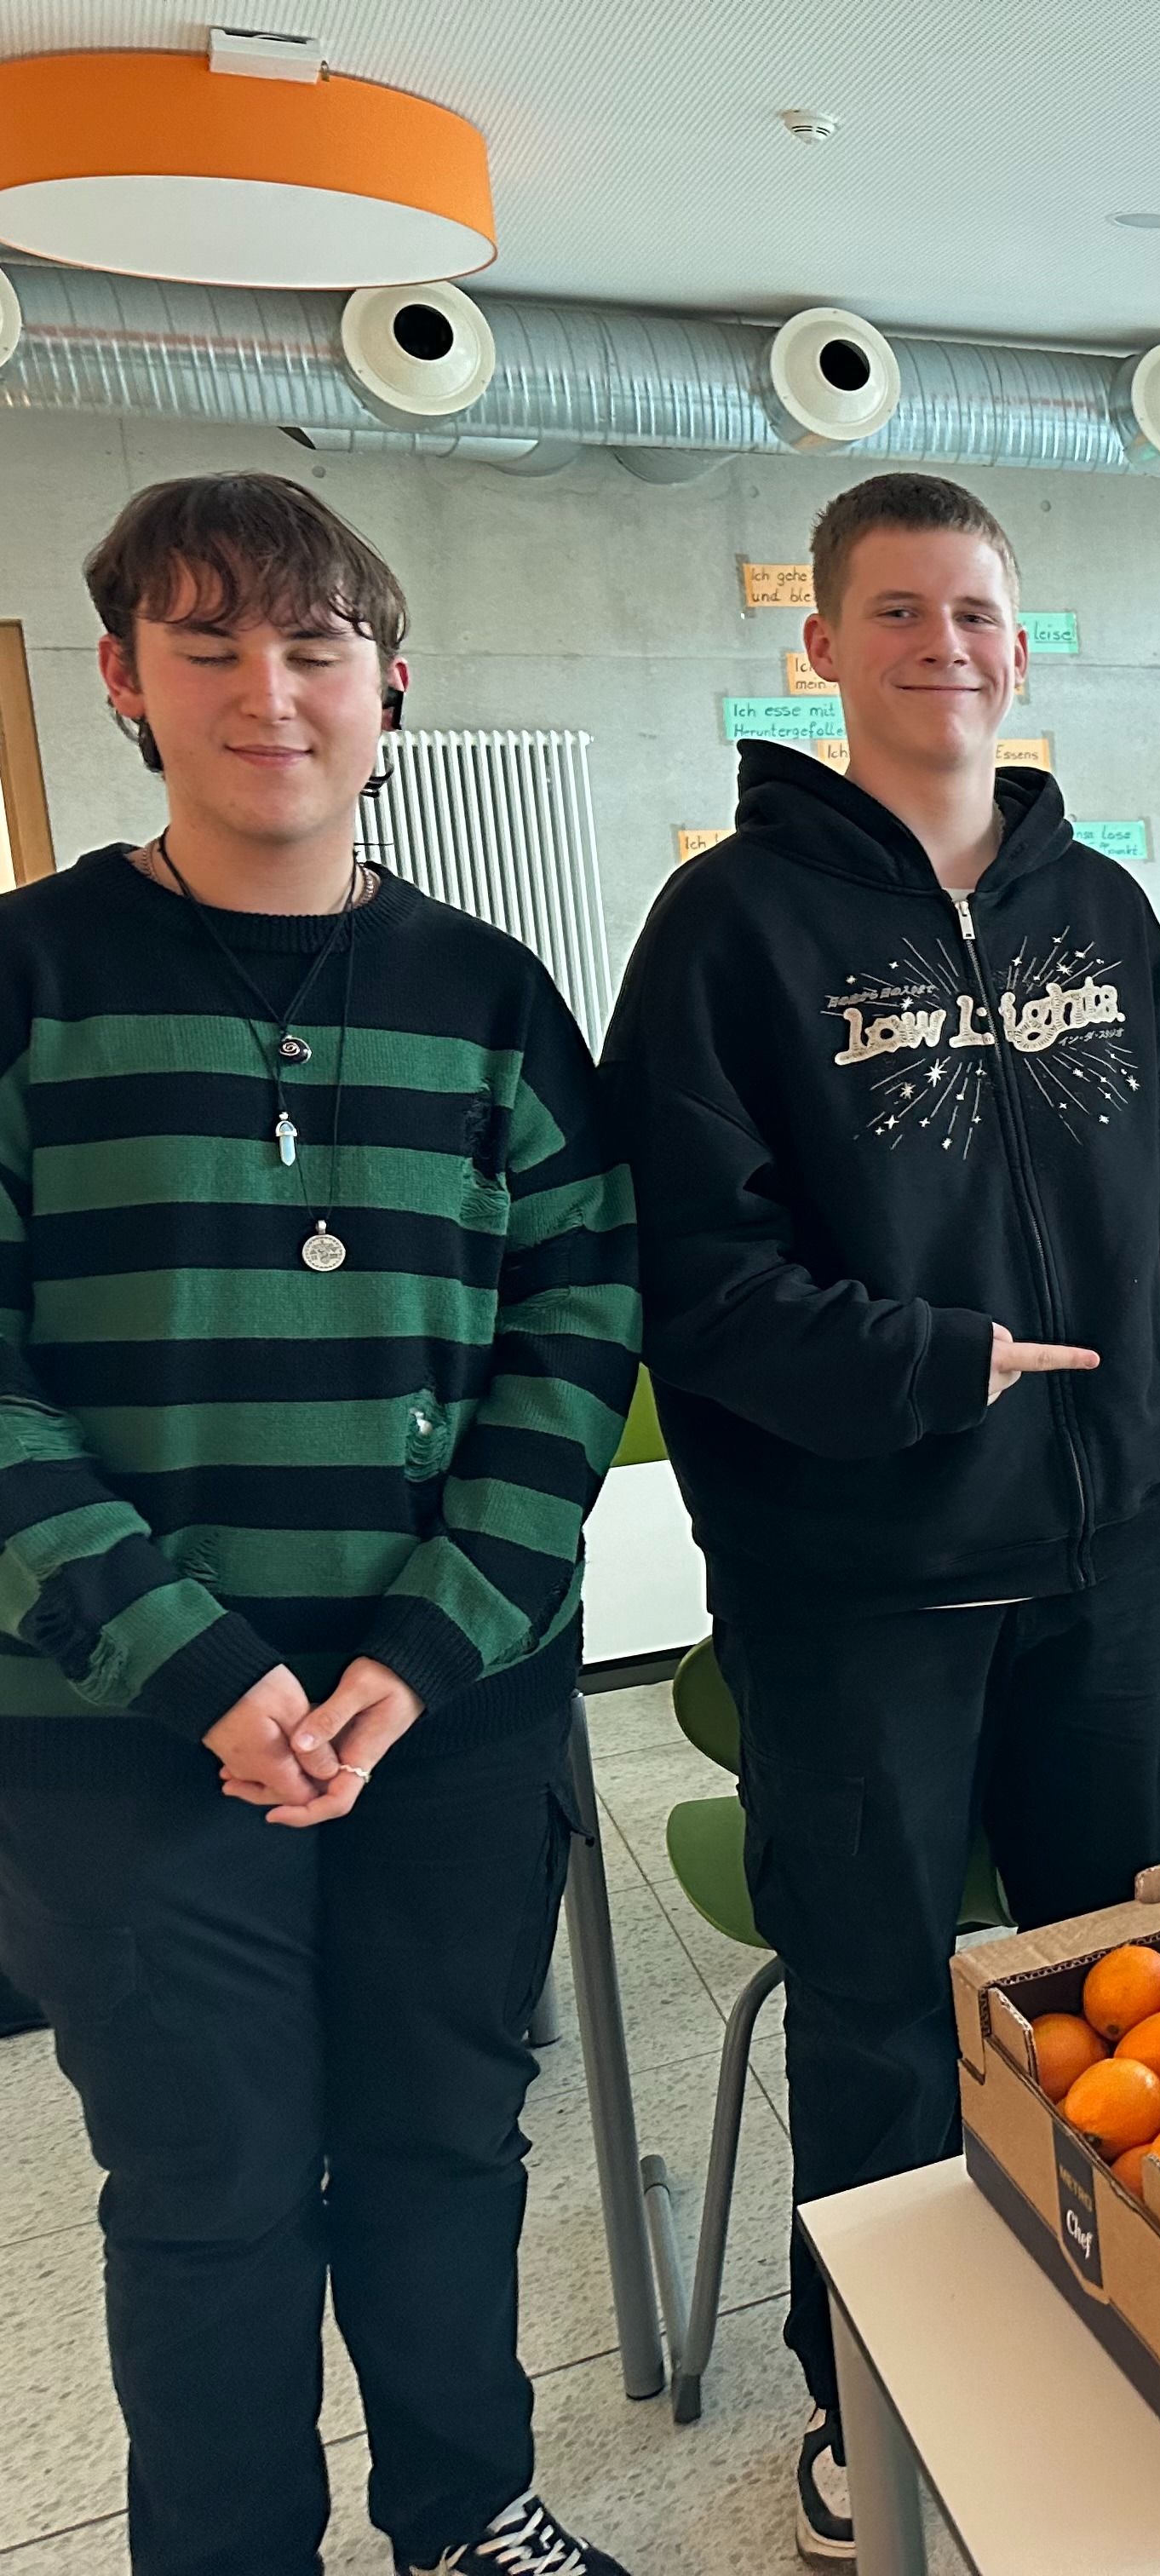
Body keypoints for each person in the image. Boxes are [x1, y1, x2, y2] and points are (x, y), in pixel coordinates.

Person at [600, 471, 1160, 2561]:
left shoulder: (1102, 913)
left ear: (1019, 645)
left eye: (977, 613)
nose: (945, 649)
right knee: (882, 2017)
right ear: (825, 648)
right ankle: (860, 2400)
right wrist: (930, 1369)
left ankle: (1111, 2318)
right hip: (859, 1581)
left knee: (1121, 1982)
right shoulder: (730, 928)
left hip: (1111, 1556)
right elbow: (690, 1276)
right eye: (899, 614)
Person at [0, 475, 639, 2576]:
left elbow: (575, 1327)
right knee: (212, 2189)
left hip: (445, 1715)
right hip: (129, 1740)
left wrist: (422, 1648)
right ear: (123, 685)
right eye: (210, 647)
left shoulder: (488, 994)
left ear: (389, 688)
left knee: (451, 2147)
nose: (268, 692)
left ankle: (470, 2518)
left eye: (313, 648)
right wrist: (204, 1672)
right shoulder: (32, 983)